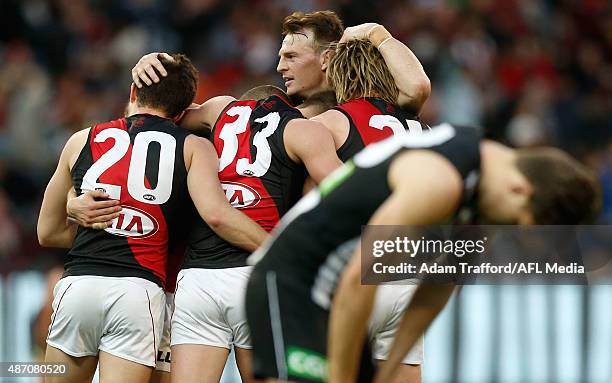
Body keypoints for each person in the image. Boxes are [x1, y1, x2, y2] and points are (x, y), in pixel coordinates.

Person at [245, 124, 601, 383]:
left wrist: (388, 370)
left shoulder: (480, 200)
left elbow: (434, 291)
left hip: (331, 293)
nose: (513, 232)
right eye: (521, 224)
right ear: (521, 189)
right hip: (291, 282)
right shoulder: (439, 182)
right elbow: (359, 277)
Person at [38, 54, 267, 383]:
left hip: (78, 284)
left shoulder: (81, 139)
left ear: (132, 92)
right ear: (183, 112)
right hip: (139, 291)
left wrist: (89, 214)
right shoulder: (193, 146)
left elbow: (47, 232)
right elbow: (216, 214)